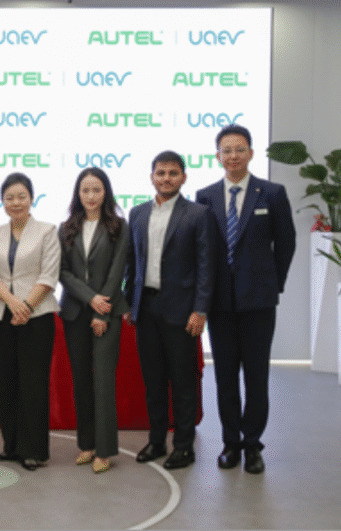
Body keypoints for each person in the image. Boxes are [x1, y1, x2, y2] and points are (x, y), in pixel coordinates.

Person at [195, 124, 295, 474]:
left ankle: (253, 445)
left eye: (239, 149)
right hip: (220, 305)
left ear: (250, 153)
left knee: (256, 376)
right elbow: (204, 252)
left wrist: (272, 284)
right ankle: (230, 443)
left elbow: (286, 244)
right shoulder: (204, 196)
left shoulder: (272, 193)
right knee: (224, 377)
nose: (233, 156)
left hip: (259, 302)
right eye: (226, 150)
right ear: (218, 155)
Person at [125, 151, 214, 470]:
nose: (166, 178)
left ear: (183, 178)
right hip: (146, 307)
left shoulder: (198, 214)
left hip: (182, 310)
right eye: (160, 173)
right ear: (152, 177)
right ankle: (157, 440)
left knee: (183, 380)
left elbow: (206, 265)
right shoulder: (136, 214)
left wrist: (200, 309)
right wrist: (127, 303)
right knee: (153, 379)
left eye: (173, 173)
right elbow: (131, 263)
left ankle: (184, 446)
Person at [0, 172, 62, 471]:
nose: (16, 202)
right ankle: (11, 445)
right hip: (0, 315)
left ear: (31, 199)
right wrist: (13, 303)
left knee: (33, 383)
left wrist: (26, 305)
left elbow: (49, 275)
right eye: (9, 197)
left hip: (37, 316)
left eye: (22, 196)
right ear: (2, 201)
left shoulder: (47, 231)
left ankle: (34, 450)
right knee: (7, 382)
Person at [57, 168, 129, 474]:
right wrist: (90, 299)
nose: (90, 196)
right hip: (75, 313)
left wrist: (101, 310)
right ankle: (86, 444)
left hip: (108, 312)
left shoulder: (118, 226)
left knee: (103, 381)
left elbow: (117, 272)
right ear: (78, 194)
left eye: (96, 190)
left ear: (106, 193)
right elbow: (62, 272)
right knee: (81, 380)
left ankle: (105, 449)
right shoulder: (66, 228)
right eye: (85, 190)